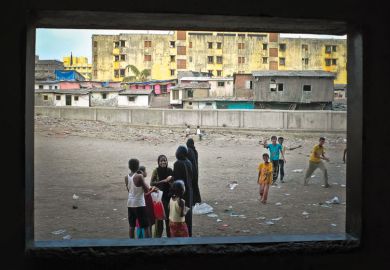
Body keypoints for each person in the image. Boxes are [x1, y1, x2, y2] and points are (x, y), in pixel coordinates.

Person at [125, 158, 156, 239]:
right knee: (146, 226)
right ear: (137, 166)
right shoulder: (139, 176)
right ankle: (147, 244)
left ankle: (131, 243)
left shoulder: (126, 177)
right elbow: (146, 191)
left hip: (130, 204)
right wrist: (152, 189)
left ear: (129, 166)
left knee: (132, 226)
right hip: (139, 204)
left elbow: (129, 191)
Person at [150, 155, 173, 238]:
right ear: (158, 162)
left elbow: (174, 182)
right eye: (161, 161)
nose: (163, 162)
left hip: (168, 198)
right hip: (159, 199)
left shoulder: (170, 170)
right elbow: (151, 183)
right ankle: (158, 239)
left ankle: (169, 238)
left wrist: (170, 182)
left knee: (168, 220)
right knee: (159, 221)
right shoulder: (156, 171)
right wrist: (164, 181)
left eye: (165, 160)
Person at [173, 145, 193, 236]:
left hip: (181, 192)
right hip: (189, 191)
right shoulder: (189, 162)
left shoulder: (177, 163)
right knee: (188, 215)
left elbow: (176, 180)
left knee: (181, 215)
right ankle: (189, 234)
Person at [137, 165, 155, 238]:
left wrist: (151, 189)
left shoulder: (142, 182)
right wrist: (152, 190)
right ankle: (147, 239)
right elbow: (145, 194)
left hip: (146, 204)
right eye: (145, 171)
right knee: (147, 222)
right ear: (142, 172)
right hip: (146, 205)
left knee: (147, 222)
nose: (146, 172)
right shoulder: (141, 183)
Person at [186, 138, 201, 205]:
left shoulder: (188, 150)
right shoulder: (195, 151)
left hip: (191, 171)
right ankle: (197, 200)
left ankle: (193, 200)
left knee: (191, 186)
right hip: (196, 171)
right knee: (195, 185)